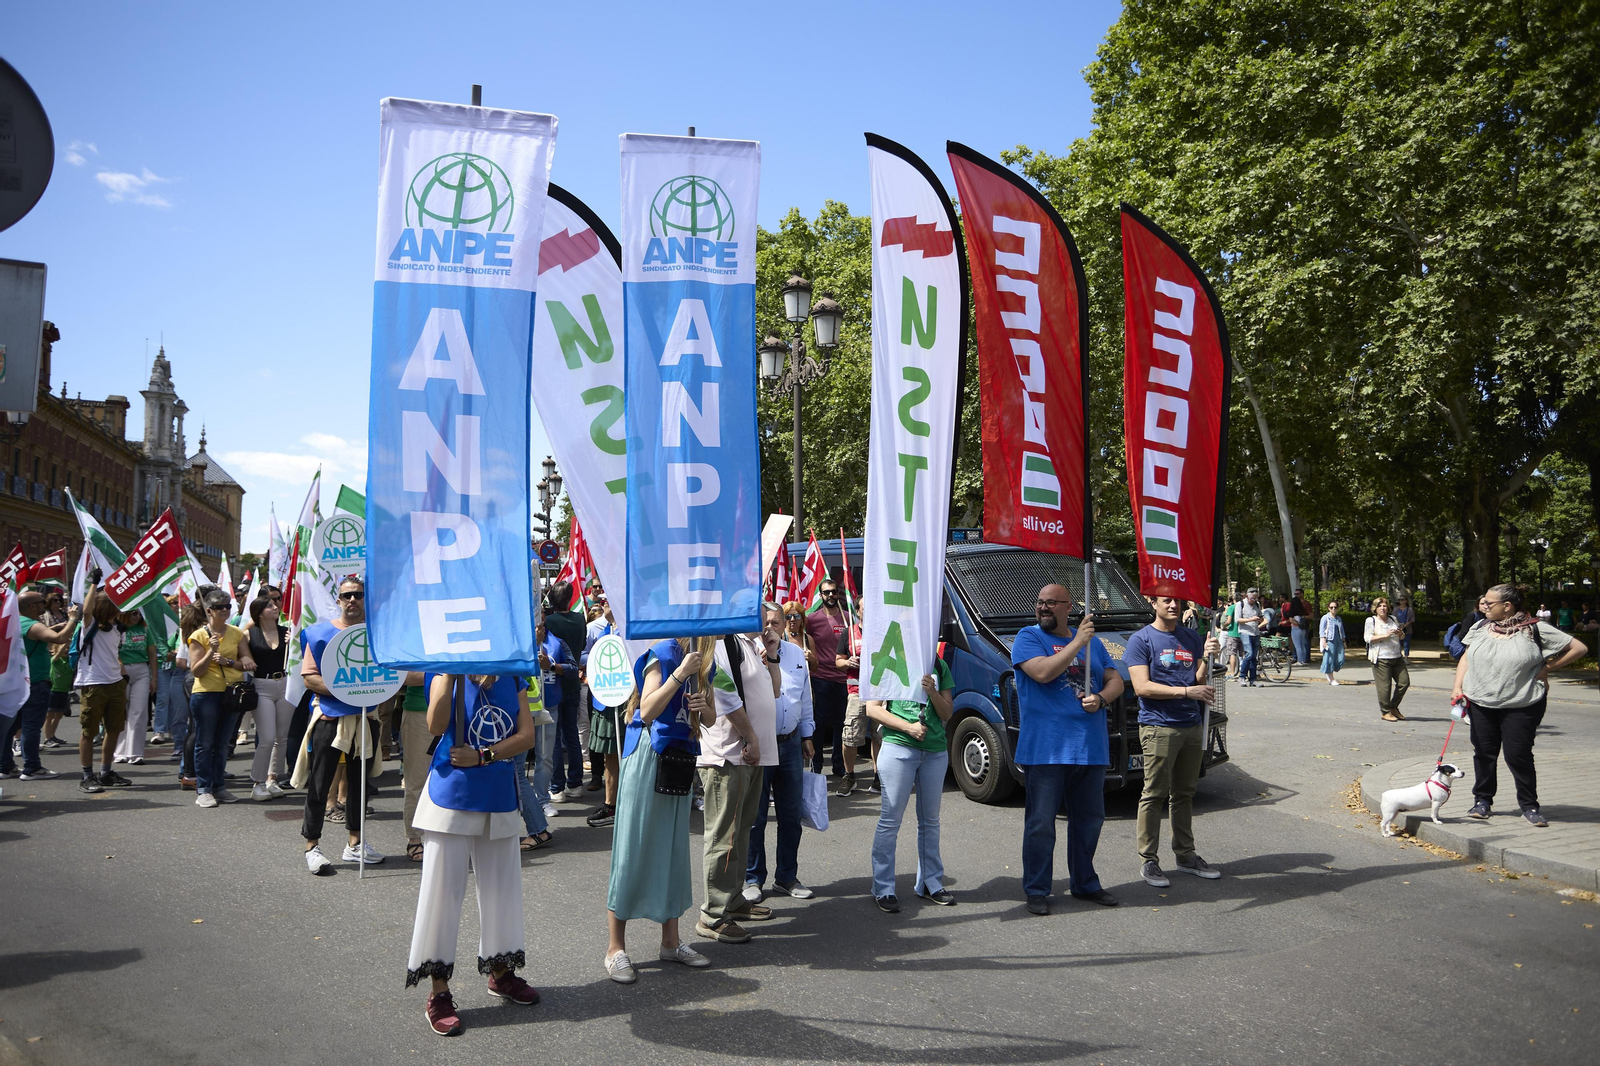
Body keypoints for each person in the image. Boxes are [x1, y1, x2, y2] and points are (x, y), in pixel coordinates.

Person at [406, 672, 542, 1036]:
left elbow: (526, 736)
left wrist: (483, 755)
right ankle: (438, 992)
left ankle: (501, 972)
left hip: (499, 795)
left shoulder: (513, 674)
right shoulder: (445, 669)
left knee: (502, 891)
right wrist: (452, 672)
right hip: (451, 796)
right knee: (442, 896)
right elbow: (435, 724)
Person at [605, 637, 718, 984]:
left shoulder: (707, 658)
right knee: (632, 849)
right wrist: (680, 675)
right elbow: (648, 709)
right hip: (648, 756)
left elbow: (711, 719)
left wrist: (703, 706)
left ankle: (670, 941)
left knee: (672, 850)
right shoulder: (667, 651)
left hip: (680, 760)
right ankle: (614, 949)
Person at [1011, 584, 1125, 914]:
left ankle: (1085, 884)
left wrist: (1102, 698)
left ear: (1067, 606)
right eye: (1040, 602)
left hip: (1089, 746)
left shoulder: (1095, 643)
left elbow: (1115, 680)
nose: (1044, 608)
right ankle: (1036, 889)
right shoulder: (1027, 637)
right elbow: (1044, 673)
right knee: (1041, 823)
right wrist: (1077, 642)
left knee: (1089, 821)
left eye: (1051, 603)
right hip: (1045, 749)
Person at [1455, 583, 1586, 826]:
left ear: (1507, 606)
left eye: (1490, 603)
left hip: (1521, 703)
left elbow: (1579, 648)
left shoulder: (1535, 629)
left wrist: (1548, 668)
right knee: (1484, 754)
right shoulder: (1481, 626)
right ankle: (1482, 801)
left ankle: (1529, 806)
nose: (1484, 605)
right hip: (1481, 701)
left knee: (1518, 756)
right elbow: (1466, 656)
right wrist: (1457, 687)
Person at [1125, 596, 1223, 887]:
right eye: (1166, 601)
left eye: (1177, 601)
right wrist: (1185, 693)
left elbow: (1196, 679)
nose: (1173, 606)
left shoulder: (1191, 637)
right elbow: (1142, 687)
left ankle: (1186, 856)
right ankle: (1149, 860)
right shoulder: (1140, 640)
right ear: (1153, 603)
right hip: (1159, 725)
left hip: (1191, 725)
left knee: (1184, 794)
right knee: (1154, 794)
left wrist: (1206, 657)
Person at [696, 626, 780, 944]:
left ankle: (732, 899)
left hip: (747, 754)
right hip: (730, 754)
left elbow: (771, 690)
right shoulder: (717, 640)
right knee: (723, 836)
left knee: (741, 830)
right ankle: (713, 914)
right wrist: (751, 737)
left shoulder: (743, 641)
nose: (760, 612)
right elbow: (725, 692)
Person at [294, 576, 383, 873]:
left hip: (365, 719)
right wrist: (348, 690)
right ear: (339, 599)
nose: (353, 600)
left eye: (358, 595)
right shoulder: (320, 634)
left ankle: (355, 844)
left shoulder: (379, 634)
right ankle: (312, 846)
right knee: (320, 783)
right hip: (330, 718)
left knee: (360, 785)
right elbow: (309, 677)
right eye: (347, 595)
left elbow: (391, 676)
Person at [866, 650, 956, 912]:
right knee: (890, 819)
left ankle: (930, 883)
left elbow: (947, 712)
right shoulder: (888, 658)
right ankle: (883, 887)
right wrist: (907, 727)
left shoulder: (938, 664)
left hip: (935, 752)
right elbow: (872, 709)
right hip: (898, 748)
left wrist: (933, 692)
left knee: (930, 821)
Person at [746, 603, 816, 903]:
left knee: (790, 815)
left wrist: (808, 733)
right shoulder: (747, 654)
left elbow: (805, 696)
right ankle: (752, 878)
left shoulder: (796, 653)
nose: (770, 628)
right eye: (766, 623)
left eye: (776, 622)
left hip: (789, 743)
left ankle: (786, 876)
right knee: (756, 817)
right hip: (760, 744)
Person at [187, 590, 256, 807]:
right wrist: (210, 651)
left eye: (227, 606)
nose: (225, 610)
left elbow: (246, 661)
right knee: (205, 743)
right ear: (209, 611)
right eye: (219, 607)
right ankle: (204, 789)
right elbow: (196, 671)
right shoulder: (199, 636)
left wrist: (227, 661)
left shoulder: (236, 633)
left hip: (232, 692)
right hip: (206, 693)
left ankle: (219, 786)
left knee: (223, 743)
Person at [0, 590, 78, 781]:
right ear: (32, 606)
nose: (45, 605)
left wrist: (59, 625)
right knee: (31, 726)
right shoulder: (32, 624)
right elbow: (59, 639)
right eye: (41, 602)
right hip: (34, 682)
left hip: (14, 683)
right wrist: (73, 620)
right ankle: (32, 768)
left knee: (10, 728)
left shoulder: (12, 622)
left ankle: (6, 766)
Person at [75, 576, 133, 794]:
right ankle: (87, 776)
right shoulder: (89, 625)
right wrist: (93, 584)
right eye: (116, 604)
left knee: (114, 729)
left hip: (115, 682)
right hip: (93, 683)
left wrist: (122, 672)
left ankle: (106, 772)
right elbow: (87, 611)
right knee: (88, 731)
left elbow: (113, 653)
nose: (120, 608)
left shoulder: (116, 628)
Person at [245, 595, 296, 800]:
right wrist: (245, 657)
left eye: (275, 604)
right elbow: (238, 652)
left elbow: (300, 656)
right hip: (262, 686)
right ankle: (257, 782)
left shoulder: (287, 632)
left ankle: (272, 779)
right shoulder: (249, 634)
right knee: (267, 738)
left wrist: (294, 644)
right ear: (259, 613)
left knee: (282, 737)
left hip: (285, 684)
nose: (275, 607)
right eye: (269, 606)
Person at [543, 581, 587, 801]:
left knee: (553, 737)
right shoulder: (580, 619)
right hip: (572, 682)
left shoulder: (549, 621)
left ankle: (557, 786)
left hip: (552, 682)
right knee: (571, 735)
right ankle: (575, 783)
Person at [803, 579, 851, 777]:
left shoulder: (848, 619)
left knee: (841, 724)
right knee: (819, 723)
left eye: (834, 592)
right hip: (820, 678)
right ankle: (817, 765)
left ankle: (839, 767)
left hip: (843, 679)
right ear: (820, 596)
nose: (831, 595)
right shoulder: (812, 619)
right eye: (827, 592)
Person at [580, 596, 621, 827]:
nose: (605, 602)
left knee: (626, 754)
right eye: (603, 599)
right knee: (608, 755)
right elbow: (583, 655)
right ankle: (610, 806)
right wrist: (597, 652)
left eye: (609, 599)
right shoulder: (600, 630)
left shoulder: (629, 630)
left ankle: (624, 804)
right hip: (604, 699)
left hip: (626, 700)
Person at [538, 617, 582, 803]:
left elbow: (573, 667)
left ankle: (557, 788)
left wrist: (553, 666)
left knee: (552, 748)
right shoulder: (521, 642)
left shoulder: (557, 642)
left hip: (551, 703)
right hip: (526, 706)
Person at [835, 606, 877, 797]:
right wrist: (848, 663)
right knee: (850, 737)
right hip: (856, 692)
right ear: (858, 612)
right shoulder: (848, 633)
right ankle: (849, 775)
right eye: (863, 608)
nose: (868, 611)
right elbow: (838, 661)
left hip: (880, 692)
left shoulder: (883, 629)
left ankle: (879, 777)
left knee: (880, 736)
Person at [111, 608, 159, 765]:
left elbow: (152, 654)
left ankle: (135, 753)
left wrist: (154, 678)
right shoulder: (116, 629)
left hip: (141, 670)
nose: (137, 616)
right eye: (133, 613)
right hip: (120, 671)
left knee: (139, 712)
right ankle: (119, 752)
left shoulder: (145, 629)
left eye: (139, 613)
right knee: (121, 713)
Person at [398, 672, 432, 862]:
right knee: (417, 779)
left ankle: (453, 835)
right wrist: (450, 672)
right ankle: (415, 838)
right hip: (420, 711)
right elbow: (404, 676)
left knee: (458, 778)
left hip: (461, 709)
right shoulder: (413, 640)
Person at [40, 590, 79, 749]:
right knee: (50, 714)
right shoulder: (55, 660)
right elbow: (56, 652)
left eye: (59, 600)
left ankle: (53, 736)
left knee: (59, 714)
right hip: (54, 689)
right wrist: (64, 641)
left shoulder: (68, 659)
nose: (57, 602)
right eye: (54, 600)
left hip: (63, 690)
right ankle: (47, 737)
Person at [1364, 597, 1410, 721]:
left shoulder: (1393, 619)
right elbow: (1367, 638)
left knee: (1404, 682)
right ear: (1375, 608)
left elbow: (1401, 637)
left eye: (1384, 606)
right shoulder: (1371, 620)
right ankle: (1385, 711)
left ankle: (1393, 707)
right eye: (1379, 606)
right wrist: (1385, 635)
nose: (1382, 608)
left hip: (1396, 656)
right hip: (1381, 657)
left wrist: (1400, 633)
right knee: (1385, 687)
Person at [1236, 589, 1264, 686]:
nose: (1254, 600)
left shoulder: (1257, 604)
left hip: (1255, 632)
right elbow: (1238, 619)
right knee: (1249, 654)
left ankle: (1253, 679)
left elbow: (1260, 615)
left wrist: (1260, 619)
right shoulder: (1240, 604)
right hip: (1245, 632)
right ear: (1247, 596)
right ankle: (1242, 676)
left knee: (1254, 657)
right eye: (1252, 598)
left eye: (1255, 598)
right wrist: (1251, 619)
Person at [1318, 601, 1346, 684]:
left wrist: (1344, 641)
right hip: (1329, 640)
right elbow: (1322, 630)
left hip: (1339, 640)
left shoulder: (1338, 618)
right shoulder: (1325, 617)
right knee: (1329, 659)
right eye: (1331, 607)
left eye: (1335, 607)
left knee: (1341, 658)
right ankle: (1331, 678)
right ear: (1328, 608)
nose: (1333, 609)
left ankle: (1329, 671)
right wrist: (1323, 641)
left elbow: (1342, 630)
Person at [1288, 588, 1314, 665]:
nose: (1296, 595)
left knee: (1297, 645)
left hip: (1296, 629)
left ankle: (1299, 660)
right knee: (1303, 645)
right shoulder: (1301, 611)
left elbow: (1291, 620)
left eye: (1297, 594)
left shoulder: (1293, 612)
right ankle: (1304, 660)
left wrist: (1296, 623)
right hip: (1303, 628)